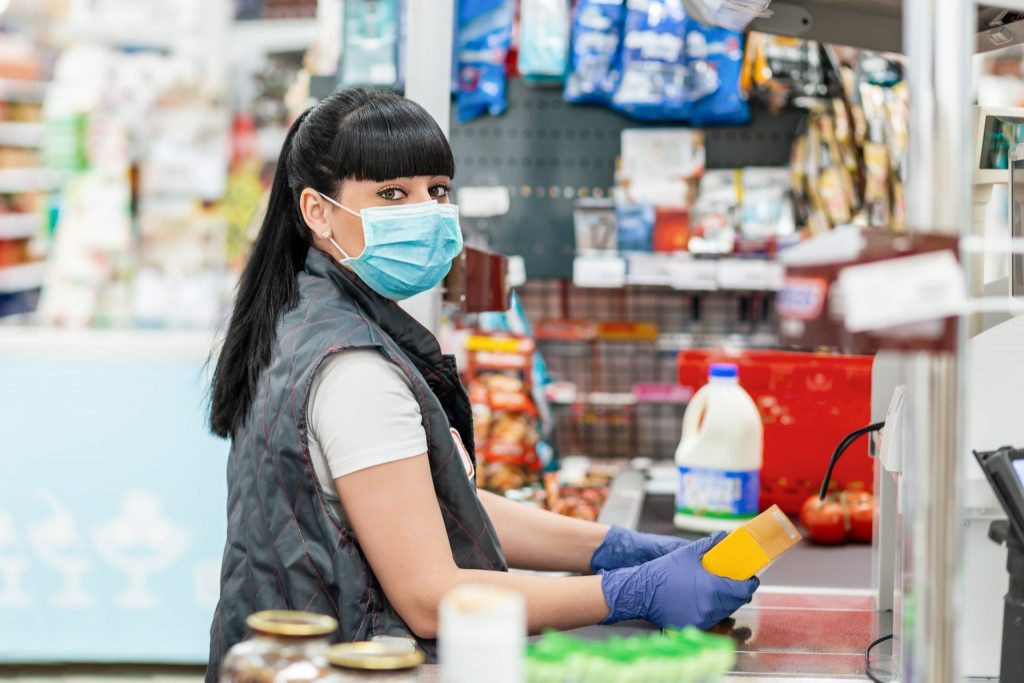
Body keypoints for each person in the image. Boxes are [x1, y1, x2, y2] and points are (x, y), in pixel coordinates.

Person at [205, 88, 758, 678]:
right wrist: (629, 591)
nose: (425, 210)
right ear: (318, 211)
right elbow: (429, 599)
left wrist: (613, 548)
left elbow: (428, 502)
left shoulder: (305, 315)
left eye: (437, 190)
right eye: (392, 194)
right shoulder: (353, 369)